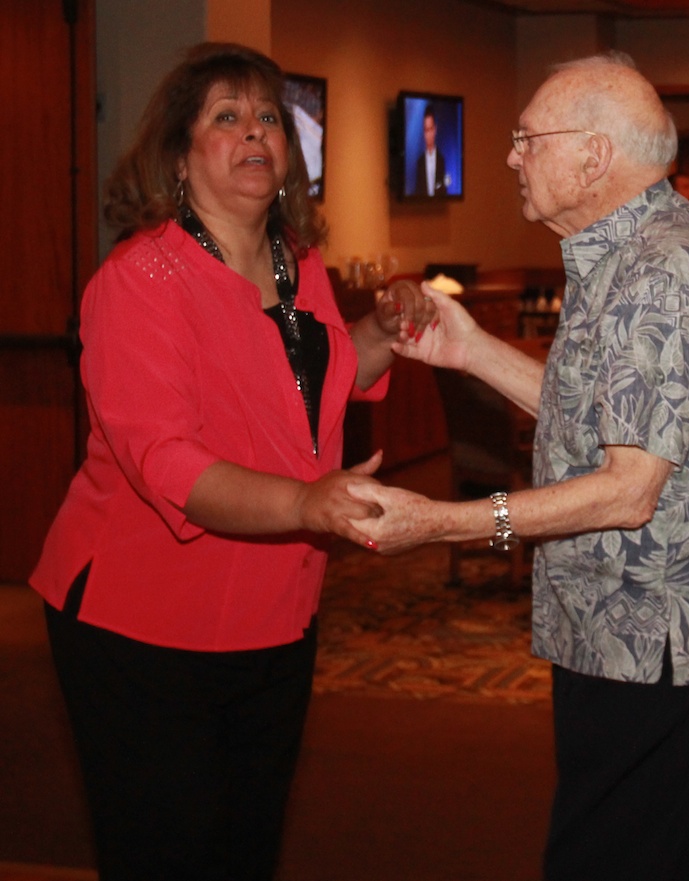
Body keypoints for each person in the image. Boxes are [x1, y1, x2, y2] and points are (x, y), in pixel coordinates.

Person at [350, 52, 689, 881]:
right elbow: (609, 426)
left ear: (593, 155)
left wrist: (444, 522)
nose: (512, 156)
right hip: (624, 629)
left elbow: (628, 491)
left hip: (654, 639)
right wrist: (471, 349)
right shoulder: (620, 254)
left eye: (526, 138)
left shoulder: (660, 270)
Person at [30, 42, 434, 881]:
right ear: (179, 156)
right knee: (167, 852)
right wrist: (308, 504)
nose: (254, 132)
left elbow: (312, 379)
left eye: (267, 118)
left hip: (275, 611)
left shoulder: (296, 261)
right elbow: (168, 464)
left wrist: (382, 330)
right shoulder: (140, 279)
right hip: (141, 623)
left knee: (245, 845)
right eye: (226, 116)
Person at [414, 103, 448, 196]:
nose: (428, 134)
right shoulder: (420, 163)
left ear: (435, 130)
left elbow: (444, 190)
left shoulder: (441, 161)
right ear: (423, 132)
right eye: (426, 130)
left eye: (430, 129)